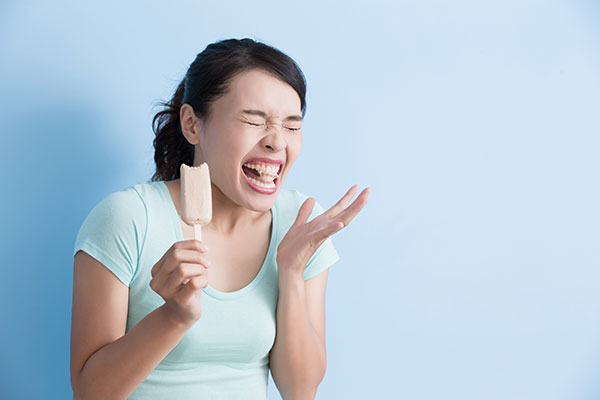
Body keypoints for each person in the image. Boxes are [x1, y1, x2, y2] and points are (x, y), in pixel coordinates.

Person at [70, 38, 370, 400]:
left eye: (292, 126)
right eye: (253, 120)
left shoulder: (301, 222)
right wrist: (173, 317)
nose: (277, 142)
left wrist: (291, 273)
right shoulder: (128, 219)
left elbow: (300, 390)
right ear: (193, 125)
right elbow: (90, 392)